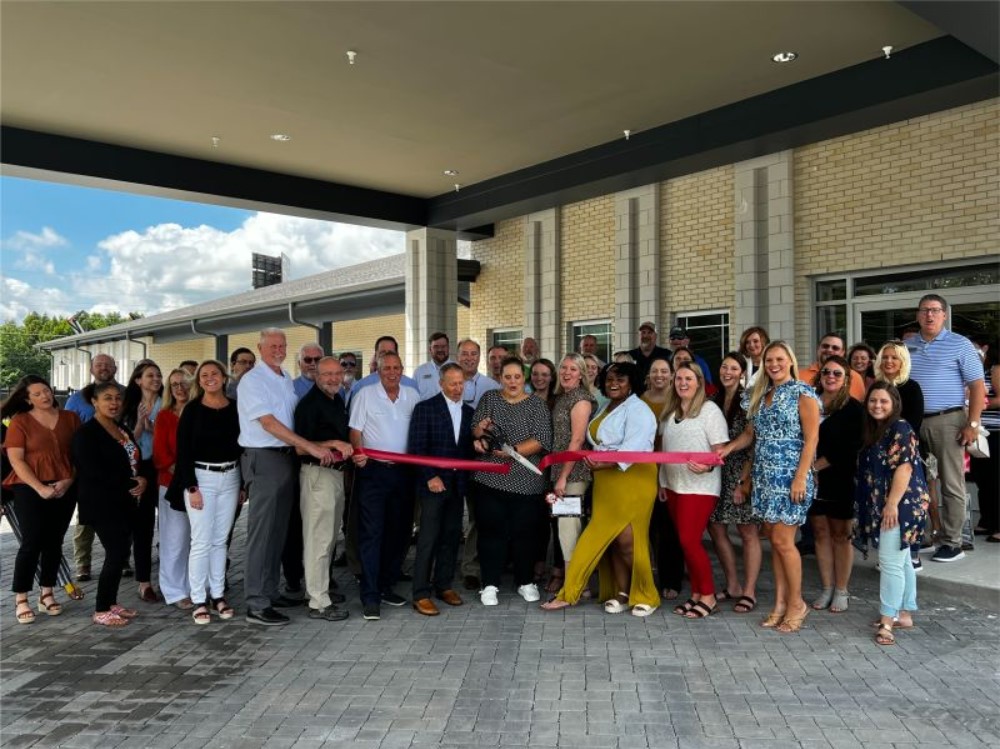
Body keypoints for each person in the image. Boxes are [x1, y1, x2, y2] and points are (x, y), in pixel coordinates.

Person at [543, 362, 659, 617]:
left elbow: (635, 448)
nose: (613, 383)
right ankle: (622, 592)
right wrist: (600, 463)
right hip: (606, 481)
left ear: (633, 382)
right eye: (609, 379)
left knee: (628, 539)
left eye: (621, 379)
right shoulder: (607, 407)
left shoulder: (640, 410)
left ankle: (646, 593)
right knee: (614, 541)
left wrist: (602, 463)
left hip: (632, 480)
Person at [238, 328, 337, 626]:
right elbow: (268, 423)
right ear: (260, 347)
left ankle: (269, 591)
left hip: (285, 460)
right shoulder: (253, 380)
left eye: (282, 345)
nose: (278, 350)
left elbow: (292, 423)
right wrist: (310, 447)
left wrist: (321, 444)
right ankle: (256, 603)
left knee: (278, 532)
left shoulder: (282, 378)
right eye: (273, 346)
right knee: (261, 534)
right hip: (265, 458)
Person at [720, 341, 820, 633]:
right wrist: (728, 449)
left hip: (790, 477)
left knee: (784, 543)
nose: (774, 364)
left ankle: (797, 603)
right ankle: (779, 603)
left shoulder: (803, 393)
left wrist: (801, 477)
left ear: (790, 361)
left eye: (779, 359)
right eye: (769, 360)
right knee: (775, 543)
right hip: (765, 477)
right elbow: (751, 434)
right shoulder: (761, 395)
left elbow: (812, 439)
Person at [906, 294, 985, 563]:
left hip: (948, 421)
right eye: (925, 310)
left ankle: (953, 542)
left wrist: (972, 424)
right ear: (917, 315)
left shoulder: (960, 344)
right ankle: (926, 535)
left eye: (935, 310)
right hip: (914, 422)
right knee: (916, 483)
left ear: (944, 315)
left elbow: (977, 387)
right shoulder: (908, 346)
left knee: (951, 484)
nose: (929, 315)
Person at [471, 356, 553, 606]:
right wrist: (479, 434)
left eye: (517, 376)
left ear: (524, 378)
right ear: (500, 378)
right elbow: (476, 429)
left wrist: (513, 450)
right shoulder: (489, 399)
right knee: (490, 533)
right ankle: (490, 584)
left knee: (524, 534)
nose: (513, 381)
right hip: (489, 479)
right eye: (508, 377)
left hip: (526, 482)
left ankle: (525, 582)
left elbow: (541, 439)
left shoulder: (537, 405)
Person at [170, 360, 243, 625]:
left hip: (231, 477)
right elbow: (184, 451)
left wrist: (242, 485)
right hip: (202, 479)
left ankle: (218, 594)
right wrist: (191, 487)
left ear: (224, 378)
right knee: (201, 541)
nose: (210, 378)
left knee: (220, 540)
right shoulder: (192, 410)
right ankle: (199, 599)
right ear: (198, 381)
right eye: (204, 375)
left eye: (214, 374)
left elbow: (241, 446)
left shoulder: (235, 408)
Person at [856, 384, 930, 646]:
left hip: (901, 503)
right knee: (902, 561)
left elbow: (904, 469)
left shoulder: (900, 428)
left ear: (894, 403)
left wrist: (891, 505)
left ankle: (887, 620)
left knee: (889, 562)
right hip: (892, 502)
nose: (877, 405)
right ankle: (905, 613)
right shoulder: (878, 429)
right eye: (873, 400)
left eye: (883, 401)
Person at [2, 376, 80, 624]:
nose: (45, 396)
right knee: (32, 542)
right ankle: (21, 598)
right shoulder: (20, 422)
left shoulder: (70, 418)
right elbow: (17, 460)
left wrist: (68, 481)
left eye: (46, 391)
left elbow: (78, 455)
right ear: (27, 399)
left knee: (55, 541)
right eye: (37, 394)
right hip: (29, 487)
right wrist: (39, 488)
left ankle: (47, 593)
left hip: (65, 486)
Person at [349, 351, 419, 621]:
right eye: (387, 368)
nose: (392, 372)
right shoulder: (365, 395)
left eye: (396, 368)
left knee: (399, 532)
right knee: (372, 533)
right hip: (374, 472)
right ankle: (370, 595)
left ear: (402, 369)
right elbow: (355, 430)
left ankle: (386, 585)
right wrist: (359, 452)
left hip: (403, 473)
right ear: (378, 370)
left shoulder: (412, 396)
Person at [72, 382, 147, 627]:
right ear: (94, 401)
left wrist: (142, 479)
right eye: (107, 398)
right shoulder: (86, 434)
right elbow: (93, 471)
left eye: (117, 398)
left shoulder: (120, 427)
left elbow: (134, 459)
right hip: (101, 503)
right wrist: (130, 482)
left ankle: (112, 602)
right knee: (115, 553)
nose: (113, 403)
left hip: (125, 502)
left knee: (121, 551)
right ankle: (101, 609)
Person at [658, 362, 729, 619]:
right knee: (685, 544)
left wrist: (708, 468)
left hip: (700, 487)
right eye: (679, 379)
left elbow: (720, 452)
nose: (683, 383)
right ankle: (697, 593)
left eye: (688, 378)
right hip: (674, 486)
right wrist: (662, 482)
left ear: (699, 382)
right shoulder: (670, 412)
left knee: (690, 541)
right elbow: (665, 452)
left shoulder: (710, 411)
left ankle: (708, 596)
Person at [407, 363, 474, 616]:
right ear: (441, 384)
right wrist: (430, 476)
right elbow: (416, 448)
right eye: (452, 383)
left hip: (457, 486)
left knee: (450, 537)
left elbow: (467, 451)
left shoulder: (470, 413)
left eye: (461, 383)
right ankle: (420, 593)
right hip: (433, 485)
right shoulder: (425, 408)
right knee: (428, 540)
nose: (457, 388)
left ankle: (443, 585)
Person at [294, 356, 353, 622]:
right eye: (326, 374)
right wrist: (333, 443)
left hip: (335, 476)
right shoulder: (309, 404)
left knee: (328, 539)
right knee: (318, 539)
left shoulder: (337, 399)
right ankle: (318, 602)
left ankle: (319, 590)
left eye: (336, 373)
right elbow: (299, 446)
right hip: (317, 476)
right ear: (316, 375)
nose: (332, 378)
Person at [807, 355, 864, 613]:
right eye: (827, 372)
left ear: (846, 380)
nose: (831, 377)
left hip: (838, 477)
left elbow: (850, 447)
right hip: (810, 478)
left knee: (840, 535)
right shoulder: (809, 402)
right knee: (819, 532)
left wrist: (815, 467)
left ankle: (842, 589)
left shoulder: (852, 408)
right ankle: (827, 586)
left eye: (837, 374)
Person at [708, 352, 761, 614]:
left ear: (742, 373)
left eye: (733, 368)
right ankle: (733, 585)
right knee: (717, 529)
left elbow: (753, 439)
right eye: (724, 366)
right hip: (715, 473)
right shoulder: (712, 400)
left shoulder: (750, 400)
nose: (727, 371)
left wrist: (744, 481)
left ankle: (749, 591)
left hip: (742, 471)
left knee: (747, 531)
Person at [874, 341, 929, 566]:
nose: (889, 361)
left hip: (906, 456)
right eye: (885, 357)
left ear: (903, 361)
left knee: (907, 506)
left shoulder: (911, 387)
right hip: (879, 457)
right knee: (884, 505)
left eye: (894, 357)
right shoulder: (875, 386)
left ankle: (912, 552)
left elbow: (913, 424)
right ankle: (890, 553)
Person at [64, 352, 118, 582]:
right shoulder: (77, 399)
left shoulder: (123, 394)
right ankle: (83, 563)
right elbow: (68, 432)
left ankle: (121, 559)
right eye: (99, 365)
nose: (103, 368)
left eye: (108, 364)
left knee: (118, 515)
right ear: (91, 369)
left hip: (117, 465)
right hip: (86, 467)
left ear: (115, 368)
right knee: (86, 518)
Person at [546, 354, 597, 595]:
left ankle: (576, 583)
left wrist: (564, 476)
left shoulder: (581, 399)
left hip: (574, 473)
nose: (567, 372)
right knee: (565, 525)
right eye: (563, 367)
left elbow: (577, 439)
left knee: (569, 526)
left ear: (582, 374)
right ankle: (576, 580)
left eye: (573, 369)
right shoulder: (563, 398)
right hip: (560, 470)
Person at [455, 339, 500, 591]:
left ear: (479, 357)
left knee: (476, 516)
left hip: (480, 458)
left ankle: (471, 568)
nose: (469, 358)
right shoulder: (446, 381)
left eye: (474, 354)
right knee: (448, 515)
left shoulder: (491, 386)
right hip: (450, 456)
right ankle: (442, 565)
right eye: (465, 353)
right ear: (457, 355)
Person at [641, 357, 685, 601]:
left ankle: (671, 580)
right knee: (647, 528)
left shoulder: (678, 399)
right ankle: (646, 578)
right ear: (649, 375)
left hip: (673, 474)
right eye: (655, 370)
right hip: (645, 471)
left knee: (669, 530)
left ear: (671, 375)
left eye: (664, 371)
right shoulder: (639, 400)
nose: (659, 375)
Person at [120, 361, 164, 603]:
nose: (156, 379)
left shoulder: (167, 404)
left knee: (171, 526)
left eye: (158, 375)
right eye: (150, 375)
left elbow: (172, 437)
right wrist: (140, 424)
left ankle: (171, 579)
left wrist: (152, 426)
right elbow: (128, 443)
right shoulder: (127, 406)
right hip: (139, 468)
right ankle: (144, 582)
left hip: (165, 468)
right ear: (138, 380)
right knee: (143, 527)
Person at [152, 368, 193, 610]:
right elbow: (161, 455)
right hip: (172, 484)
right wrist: (184, 473)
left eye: (184, 383)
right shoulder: (165, 416)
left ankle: (195, 586)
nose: (180, 388)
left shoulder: (199, 412)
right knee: (175, 539)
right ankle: (175, 591)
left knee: (197, 540)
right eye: (174, 384)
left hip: (201, 483)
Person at [968, 335, 999, 543]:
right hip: (982, 433)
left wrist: (979, 403)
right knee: (983, 479)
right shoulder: (982, 371)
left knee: (995, 479)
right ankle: (987, 520)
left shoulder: (997, 368)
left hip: (996, 432)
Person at [347, 336, 419, 403]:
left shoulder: (411, 385)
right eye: (382, 353)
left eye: (391, 353)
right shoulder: (361, 386)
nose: (387, 356)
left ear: (397, 355)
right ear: (375, 355)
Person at [798, 333, 866, 401]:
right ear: (818, 349)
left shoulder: (855, 377)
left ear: (842, 352)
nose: (829, 350)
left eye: (835, 348)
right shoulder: (799, 376)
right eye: (825, 346)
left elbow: (858, 407)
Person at [413, 332, 453, 400]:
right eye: (436, 347)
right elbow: (414, 398)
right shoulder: (419, 372)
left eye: (443, 346)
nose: (440, 350)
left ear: (448, 348)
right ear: (430, 349)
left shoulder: (459, 370)